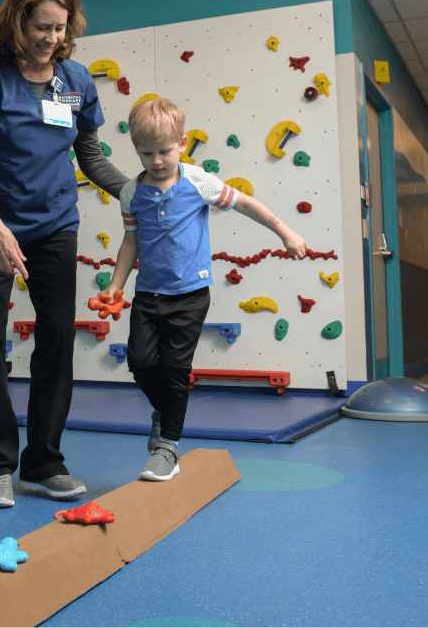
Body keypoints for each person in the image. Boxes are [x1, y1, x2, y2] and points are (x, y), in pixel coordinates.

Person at [0, 0, 130, 509]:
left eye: (60, 28)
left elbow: (91, 158)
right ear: (17, 21)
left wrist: (136, 193)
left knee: (56, 340)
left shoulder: (76, 81)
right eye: (42, 27)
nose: (51, 38)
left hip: (54, 227)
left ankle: (44, 461)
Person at [101, 97, 307, 481]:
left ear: (181, 143)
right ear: (136, 150)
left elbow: (244, 204)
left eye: (164, 151)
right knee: (140, 362)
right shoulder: (131, 193)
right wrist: (116, 285)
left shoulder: (198, 182)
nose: (157, 160)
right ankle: (163, 411)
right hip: (149, 294)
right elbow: (131, 241)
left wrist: (284, 231)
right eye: (147, 153)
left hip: (191, 295)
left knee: (177, 370)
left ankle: (168, 448)